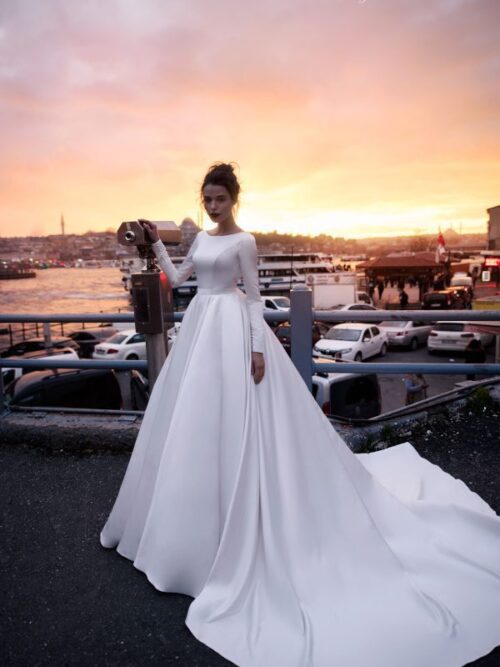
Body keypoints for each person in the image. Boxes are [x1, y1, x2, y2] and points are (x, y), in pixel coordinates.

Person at [100, 163, 500, 667]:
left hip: (230, 328)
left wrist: (258, 350)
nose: (212, 205)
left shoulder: (243, 242)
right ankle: (187, 530)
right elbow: (179, 280)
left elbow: (248, 301)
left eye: (220, 198)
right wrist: (158, 244)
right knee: (193, 428)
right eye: (207, 198)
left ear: (234, 199)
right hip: (201, 327)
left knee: (241, 424)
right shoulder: (200, 239)